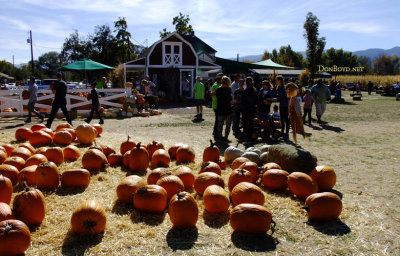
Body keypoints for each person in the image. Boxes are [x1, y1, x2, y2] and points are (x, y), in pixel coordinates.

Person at [215, 76, 232, 142]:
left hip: (220, 109)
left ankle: (220, 136)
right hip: (227, 109)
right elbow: (230, 100)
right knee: (228, 124)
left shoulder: (218, 89)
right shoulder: (228, 90)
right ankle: (226, 137)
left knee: (220, 124)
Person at [241, 76, 258, 141]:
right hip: (251, 109)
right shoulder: (254, 90)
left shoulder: (245, 91)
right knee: (250, 123)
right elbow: (256, 100)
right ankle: (250, 135)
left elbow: (243, 101)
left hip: (246, 109)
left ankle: (246, 135)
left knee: (245, 123)